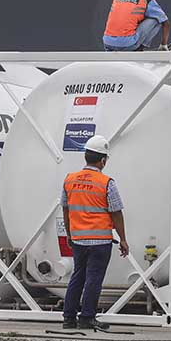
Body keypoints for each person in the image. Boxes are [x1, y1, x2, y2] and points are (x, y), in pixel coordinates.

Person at [61, 135, 129, 330]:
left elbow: (65, 209)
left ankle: (68, 318)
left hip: (78, 239)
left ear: (86, 156)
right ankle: (87, 317)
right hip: (100, 241)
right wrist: (123, 239)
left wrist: (69, 234)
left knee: (77, 277)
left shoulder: (69, 180)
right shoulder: (107, 183)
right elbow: (116, 213)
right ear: (103, 160)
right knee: (94, 279)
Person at [102, 0, 171, 51]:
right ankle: (140, 47)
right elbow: (166, 23)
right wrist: (163, 45)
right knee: (157, 19)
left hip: (107, 43)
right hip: (128, 45)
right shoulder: (146, 0)